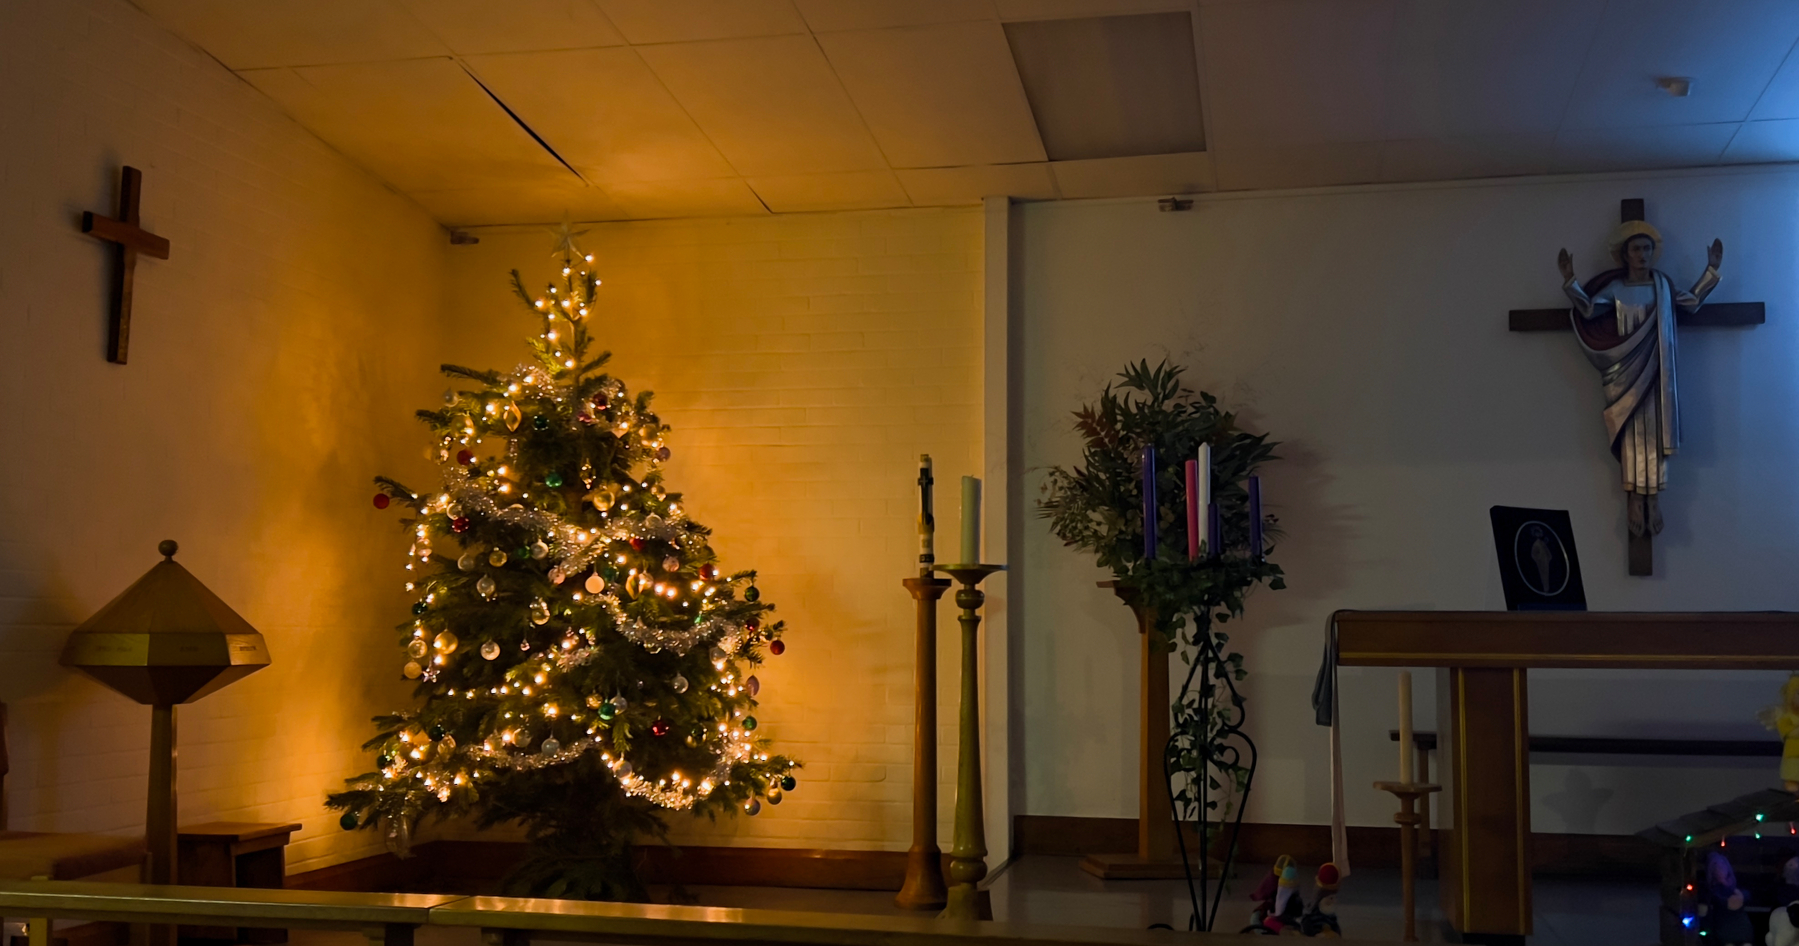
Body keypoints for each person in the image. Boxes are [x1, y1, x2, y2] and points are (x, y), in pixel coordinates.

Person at [1557, 224, 1722, 539]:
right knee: (1632, 433)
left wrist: (1711, 271)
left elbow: (1691, 302)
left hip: (1658, 373)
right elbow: (1589, 310)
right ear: (1625, 254)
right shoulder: (1616, 288)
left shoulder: (1663, 286)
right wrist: (1570, 281)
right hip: (1625, 372)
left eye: (1647, 248)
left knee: (1655, 433)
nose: (1642, 254)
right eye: (1636, 249)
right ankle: (1634, 496)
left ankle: (1654, 498)